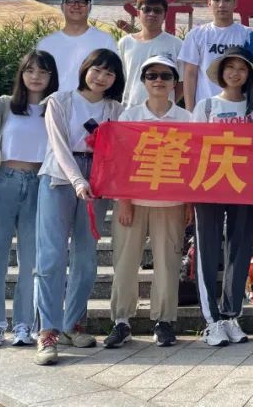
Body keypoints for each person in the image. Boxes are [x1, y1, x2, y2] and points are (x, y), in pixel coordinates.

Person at [34, 49, 126, 365]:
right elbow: (59, 146)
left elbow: (120, 149)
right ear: (85, 69)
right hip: (59, 178)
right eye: (97, 70)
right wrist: (76, 180)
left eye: (109, 73)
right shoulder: (60, 101)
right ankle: (47, 331)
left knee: (86, 256)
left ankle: (73, 323)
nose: (101, 77)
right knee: (52, 256)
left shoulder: (116, 109)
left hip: (98, 180)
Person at [0, 50, 59, 348]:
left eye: (43, 72)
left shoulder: (55, 109)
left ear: (51, 77)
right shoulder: (2, 106)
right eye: (30, 70)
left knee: (33, 260)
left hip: (40, 185)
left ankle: (24, 325)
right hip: (2, 183)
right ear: (21, 74)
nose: (36, 77)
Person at [105, 56, 192, 349]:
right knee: (125, 262)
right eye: (152, 75)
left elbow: (192, 164)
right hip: (132, 201)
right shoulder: (129, 117)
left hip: (171, 202)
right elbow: (119, 161)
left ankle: (164, 321)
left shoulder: (186, 119)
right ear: (143, 81)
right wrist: (124, 201)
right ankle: (121, 321)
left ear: (174, 83)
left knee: (167, 263)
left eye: (166, 76)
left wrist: (189, 202)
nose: (158, 81)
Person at [190, 46, 253, 347]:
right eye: (230, 67)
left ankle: (232, 314)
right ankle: (211, 321)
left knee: (239, 248)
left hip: (244, 185)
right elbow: (193, 146)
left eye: (242, 68)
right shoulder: (207, 106)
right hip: (209, 185)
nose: (235, 73)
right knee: (208, 248)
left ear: (249, 75)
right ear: (221, 72)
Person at [180, 0, 251, 112]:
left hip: (240, 109)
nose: (221, 5)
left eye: (227, 0)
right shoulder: (196, 35)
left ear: (235, 3)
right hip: (206, 109)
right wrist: (190, 111)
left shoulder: (248, 34)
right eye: (216, 0)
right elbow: (190, 74)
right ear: (209, 3)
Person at [36, 0, 117, 92]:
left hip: (92, 101)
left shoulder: (105, 40)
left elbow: (113, 76)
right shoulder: (46, 43)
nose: (76, 5)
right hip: (54, 100)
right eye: (70, 1)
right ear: (62, 6)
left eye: (82, 2)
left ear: (89, 7)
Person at [116, 0, 183, 107]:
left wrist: (167, 104)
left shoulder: (177, 44)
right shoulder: (125, 43)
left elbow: (182, 83)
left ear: (164, 15)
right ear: (138, 13)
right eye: (146, 9)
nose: (152, 14)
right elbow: (120, 78)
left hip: (163, 113)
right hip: (131, 110)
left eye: (157, 10)